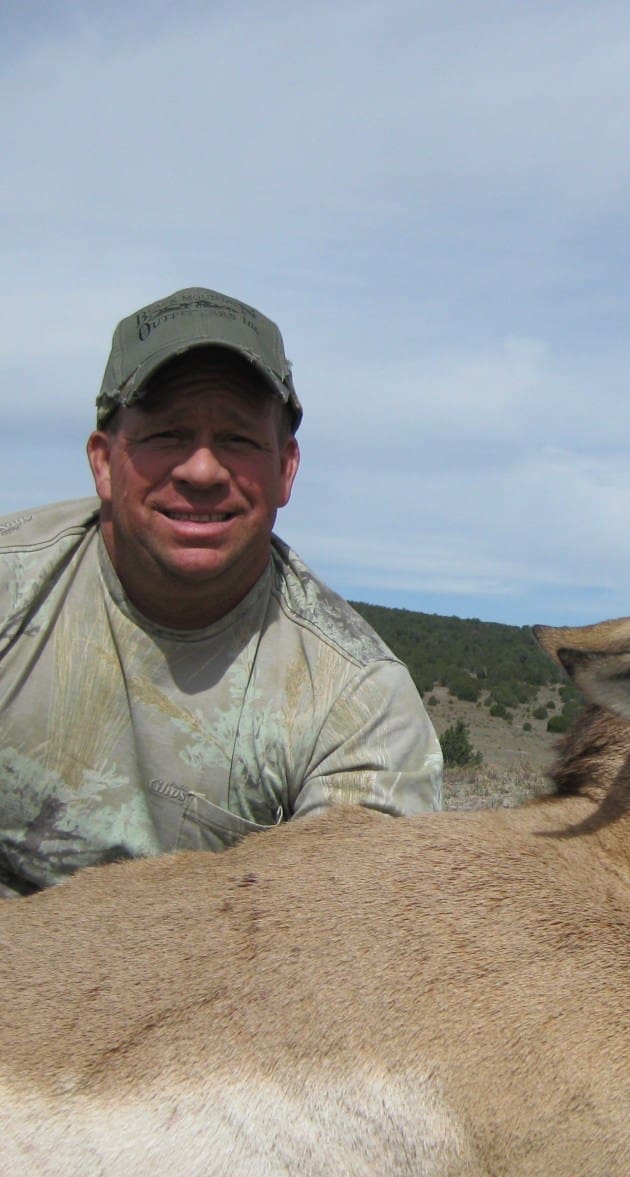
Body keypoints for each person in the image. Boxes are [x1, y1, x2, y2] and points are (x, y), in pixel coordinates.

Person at [0, 287, 443, 895]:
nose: (202, 471)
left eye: (237, 440)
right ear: (103, 462)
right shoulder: (12, 588)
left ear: (286, 469)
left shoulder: (362, 704)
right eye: (165, 434)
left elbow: (346, 952)